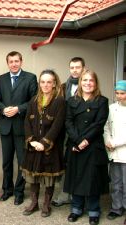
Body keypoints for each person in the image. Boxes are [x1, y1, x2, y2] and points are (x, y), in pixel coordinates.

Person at [63, 70, 109, 225]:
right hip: (75, 145)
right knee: (76, 177)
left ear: (95, 83)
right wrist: (77, 141)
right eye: (85, 80)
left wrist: (85, 141)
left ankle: (94, 210)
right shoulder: (71, 101)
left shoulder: (102, 101)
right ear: (80, 82)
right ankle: (76, 209)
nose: (88, 83)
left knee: (92, 180)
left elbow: (99, 124)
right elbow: (68, 122)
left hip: (93, 145)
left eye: (91, 80)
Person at [0, 51, 38, 205]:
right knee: (6, 162)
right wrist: (3, 109)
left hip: (22, 127)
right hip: (6, 126)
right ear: (8, 63)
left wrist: (18, 109)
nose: (14, 64)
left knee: (21, 162)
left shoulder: (30, 78)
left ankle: (19, 192)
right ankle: (7, 190)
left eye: (16, 61)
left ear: (21, 62)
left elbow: (34, 101)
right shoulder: (2, 78)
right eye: (11, 61)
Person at [21, 70, 65, 217]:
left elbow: (57, 125)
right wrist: (32, 141)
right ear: (39, 84)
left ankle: (46, 205)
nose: (45, 85)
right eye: (43, 82)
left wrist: (44, 143)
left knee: (48, 178)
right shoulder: (33, 100)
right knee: (34, 176)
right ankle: (34, 203)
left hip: (50, 147)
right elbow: (27, 121)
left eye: (49, 82)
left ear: (54, 84)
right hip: (33, 147)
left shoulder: (59, 101)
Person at [52, 57, 86, 207]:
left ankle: (79, 196)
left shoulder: (87, 85)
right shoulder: (63, 87)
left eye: (77, 67)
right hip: (64, 131)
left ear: (83, 68)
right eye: (72, 67)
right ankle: (64, 194)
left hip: (80, 132)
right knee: (65, 163)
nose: (74, 70)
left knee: (80, 164)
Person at [104, 80, 126, 221]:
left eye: (122, 93)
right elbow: (106, 126)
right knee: (116, 183)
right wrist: (107, 141)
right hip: (113, 153)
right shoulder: (111, 108)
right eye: (117, 93)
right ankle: (116, 208)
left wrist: (115, 143)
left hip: (123, 151)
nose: (119, 96)